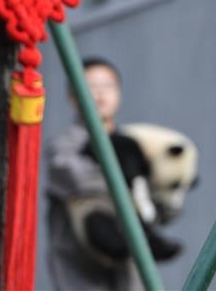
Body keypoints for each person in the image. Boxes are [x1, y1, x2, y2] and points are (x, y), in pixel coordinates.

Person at [44, 57, 143, 291]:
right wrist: (127, 176)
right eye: (90, 87)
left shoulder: (133, 143)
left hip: (129, 263)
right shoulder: (63, 145)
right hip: (81, 267)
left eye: (107, 86)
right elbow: (76, 177)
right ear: (72, 96)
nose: (100, 94)